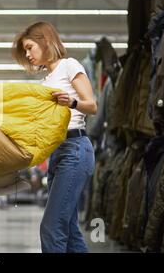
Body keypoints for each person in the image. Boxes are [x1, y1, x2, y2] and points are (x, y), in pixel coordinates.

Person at [12, 21, 97, 253]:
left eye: (30, 47)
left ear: (45, 41)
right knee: (68, 229)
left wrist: (72, 102)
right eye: (25, 51)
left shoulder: (70, 65)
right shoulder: (45, 82)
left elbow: (92, 106)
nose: (27, 54)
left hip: (76, 149)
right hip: (57, 152)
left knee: (51, 228)